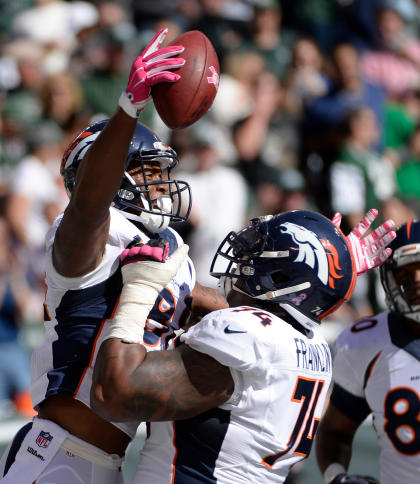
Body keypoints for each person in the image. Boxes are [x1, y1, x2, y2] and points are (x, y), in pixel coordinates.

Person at [0, 28, 226, 484]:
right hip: (58, 456)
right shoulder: (85, 231)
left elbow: (226, 310)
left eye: (164, 174)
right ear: (110, 175)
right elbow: (88, 206)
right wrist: (128, 109)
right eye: (149, 173)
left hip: (114, 463)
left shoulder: (171, 251)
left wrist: (324, 282)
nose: (163, 187)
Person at [91, 209, 396, 483]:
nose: (244, 260)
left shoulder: (247, 335)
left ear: (281, 276)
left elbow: (112, 394)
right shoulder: (312, 344)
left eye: (259, 254)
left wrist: (139, 288)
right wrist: (334, 269)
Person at [316, 220, 420, 484]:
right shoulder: (366, 342)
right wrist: (337, 477)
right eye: (405, 274)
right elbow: (335, 431)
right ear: (389, 280)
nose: (417, 282)